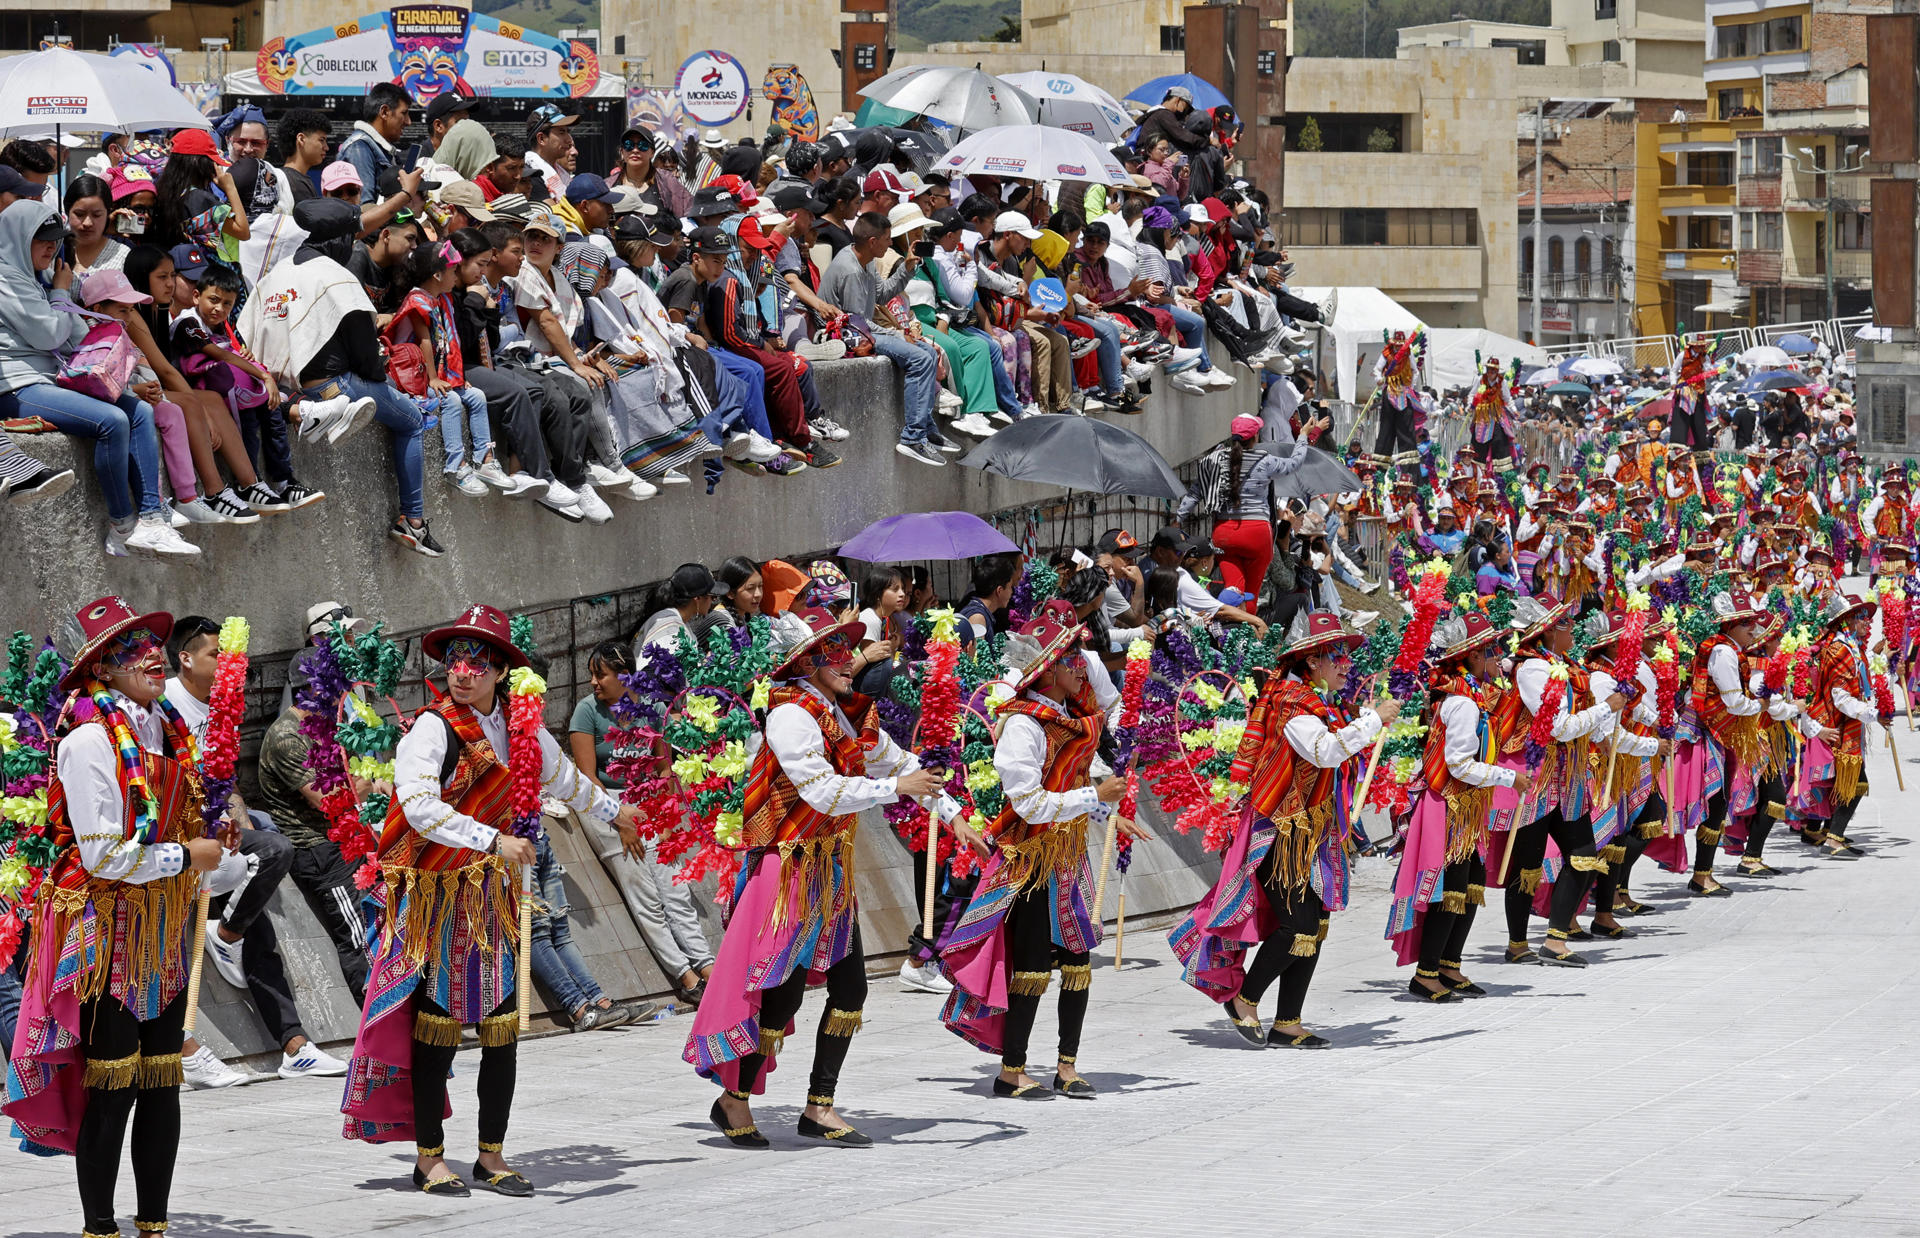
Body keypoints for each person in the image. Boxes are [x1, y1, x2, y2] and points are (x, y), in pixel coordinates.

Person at [339, 603, 643, 1197]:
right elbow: (419, 807)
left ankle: (491, 1154)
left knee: (502, 1027)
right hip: (437, 899)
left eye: (477, 661)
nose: (463, 671)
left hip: (495, 900)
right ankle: (429, 1157)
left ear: (502, 672)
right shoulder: (432, 727)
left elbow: (567, 781)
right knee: (439, 1027)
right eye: (454, 660)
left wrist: (617, 811)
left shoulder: (522, 729)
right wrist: (491, 839)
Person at [2, 598, 235, 1236]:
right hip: (108, 931)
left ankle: (154, 1223)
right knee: (113, 1085)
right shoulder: (87, 741)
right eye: (133, 649)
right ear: (103, 670)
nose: (153, 655)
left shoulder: (170, 731)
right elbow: (102, 855)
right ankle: (99, 1226)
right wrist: (188, 852)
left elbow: (185, 827)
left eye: (153, 643)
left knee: (163, 1081)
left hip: (164, 923)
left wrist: (215, 837)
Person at [688, 606, 946, 1148]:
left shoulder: (844, 712)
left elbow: (899, 763)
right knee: (779, 996)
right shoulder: (791, 715)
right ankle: (733, 1100)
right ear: (807, 662)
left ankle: (818, 1106)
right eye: (834, 653)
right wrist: (900, 789)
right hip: (789, 871)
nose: (848, 661)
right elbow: (822, 791)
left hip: (829, 867)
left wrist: (954, 817)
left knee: (850, 987)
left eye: (848, 651)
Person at [942, 613, 1149, 1095]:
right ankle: (1011, 1070)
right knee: (1033, 965)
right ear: (1048, 671)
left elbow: (1074, 784)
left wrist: (1107, 814)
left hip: (1068, 855)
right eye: (1071, 660)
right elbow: (1029, 803)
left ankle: (1067, 1066)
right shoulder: (1023, 724)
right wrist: (1097, 798)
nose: (1082, 668)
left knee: (1078, 960)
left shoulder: (1072, 721)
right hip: (1030, 861)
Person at [1170, 610, 1391, 1047]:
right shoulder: (1293, 703)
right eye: (1337, 655)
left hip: (1308, 831)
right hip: (1278, 832)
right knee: (1294, 926)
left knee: (1315, 924)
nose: (1346, 664)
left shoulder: (1312, 698)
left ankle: (1288, 1021)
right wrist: (1373, 720)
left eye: (1346, 655)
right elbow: (1326, 751)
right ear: (1312, 661)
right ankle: (1245, 999)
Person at [161, 615, 351, 1082]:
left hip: (214, 839)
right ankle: (181, 1049)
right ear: (186, 659)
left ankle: (295, 1047)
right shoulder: (165, 705)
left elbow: (226, 783)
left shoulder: (220, 704)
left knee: (258, 916)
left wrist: (239, 839)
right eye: (216, 655)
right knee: (173, 950)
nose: (229, 665)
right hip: (173, 848)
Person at [0, 202, 200, 559]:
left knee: (139, 411)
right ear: (18, 238)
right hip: (18, 386)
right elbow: (50, 334)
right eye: (41, 240)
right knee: (112, 420)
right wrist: (61, 295)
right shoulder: (7, 278)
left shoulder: (39, 276)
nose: (51, 247)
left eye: (55, 240)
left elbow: (76, 323)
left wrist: (61, 297)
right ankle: (122, 526)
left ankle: (152, 520)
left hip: (50, 378)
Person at [240, 197, 437, 555]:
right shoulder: (337, 275)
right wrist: (382, 376)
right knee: (412, 420)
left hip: (277, 389)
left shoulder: (275, 273)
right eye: (351, 237)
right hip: (333, 390)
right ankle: (414, 521)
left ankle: (299, 410)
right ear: (338, 240)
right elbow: (366, 358)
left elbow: (246, 333)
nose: (353, 245)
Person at [1388, 609, 1527, 998]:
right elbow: (1458, 764)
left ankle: (1450, 964)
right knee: (1451, 890)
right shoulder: (1462, 702)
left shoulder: (1471, 694)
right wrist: (1506, 777)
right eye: (1492, 650)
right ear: (1474, 656)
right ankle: (1426, 972)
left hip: (1465, 806)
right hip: (1451, 805)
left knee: (1470, 886)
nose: (1499, 656)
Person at [567, 642, 714, 1006]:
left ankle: (709, 967)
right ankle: (686, 975)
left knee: (674, 888)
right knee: (644, 892)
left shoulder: (653, 709)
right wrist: (621, 822)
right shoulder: (587, 712)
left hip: (647, 799)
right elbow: (589, 780)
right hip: (604, 805)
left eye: (600, 674)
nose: (593, 682)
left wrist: (665, 820)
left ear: (624, 676)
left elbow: (664, 768)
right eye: (593, 674)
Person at [1492, 595, 1623, 965]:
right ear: (1548, 633)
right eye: (1564, 624)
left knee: (1584, 855)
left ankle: (1555, 937)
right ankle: (1518, 943)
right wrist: (1604, 708)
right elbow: (1558, 728)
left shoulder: (1568, 665)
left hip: (1571, 774)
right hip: (1538, 775)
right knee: (1527, 865)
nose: (1572, 630)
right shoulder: (1532, 669)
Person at [817, 211, 949, 465]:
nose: (891, 244)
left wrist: (908, 268)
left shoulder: (866, 259)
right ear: (873, 241)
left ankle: (925, 429)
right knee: (920, 359)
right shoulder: (851, 270)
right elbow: (858, 325)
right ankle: (912, 438)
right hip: (849, 336)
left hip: (863, 330)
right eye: (888, 239)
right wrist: (899, 334)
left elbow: (882, 295)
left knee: (929, 352)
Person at [1177, 414, 1310, 602]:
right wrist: (1303, 435)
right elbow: (1295, 463)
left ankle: (1226, 623)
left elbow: (1195, 493)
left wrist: (1178, 518)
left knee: (1233, 590)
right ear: (1256, 437)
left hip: (1224, 534)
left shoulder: (1216, 461)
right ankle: (1246, 627)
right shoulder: (1267, 462)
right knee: (1251, 595)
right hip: (1257, 534)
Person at [338, 82, 410, 205]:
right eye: (404, 113)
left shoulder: (380, 149)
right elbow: (365, 209)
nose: (408, 122)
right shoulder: (359, 148)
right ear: (384, 112)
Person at [523, 103, 579, 200]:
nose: (569, 140)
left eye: (568, 132)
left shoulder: (560, 172)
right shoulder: (530, 174)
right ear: (541, 138)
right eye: (562, 132)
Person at [278, 108, 331, 204]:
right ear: (301, 139)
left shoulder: (294, 180)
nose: (326, 147)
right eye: (321, 140)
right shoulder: (290, 183)